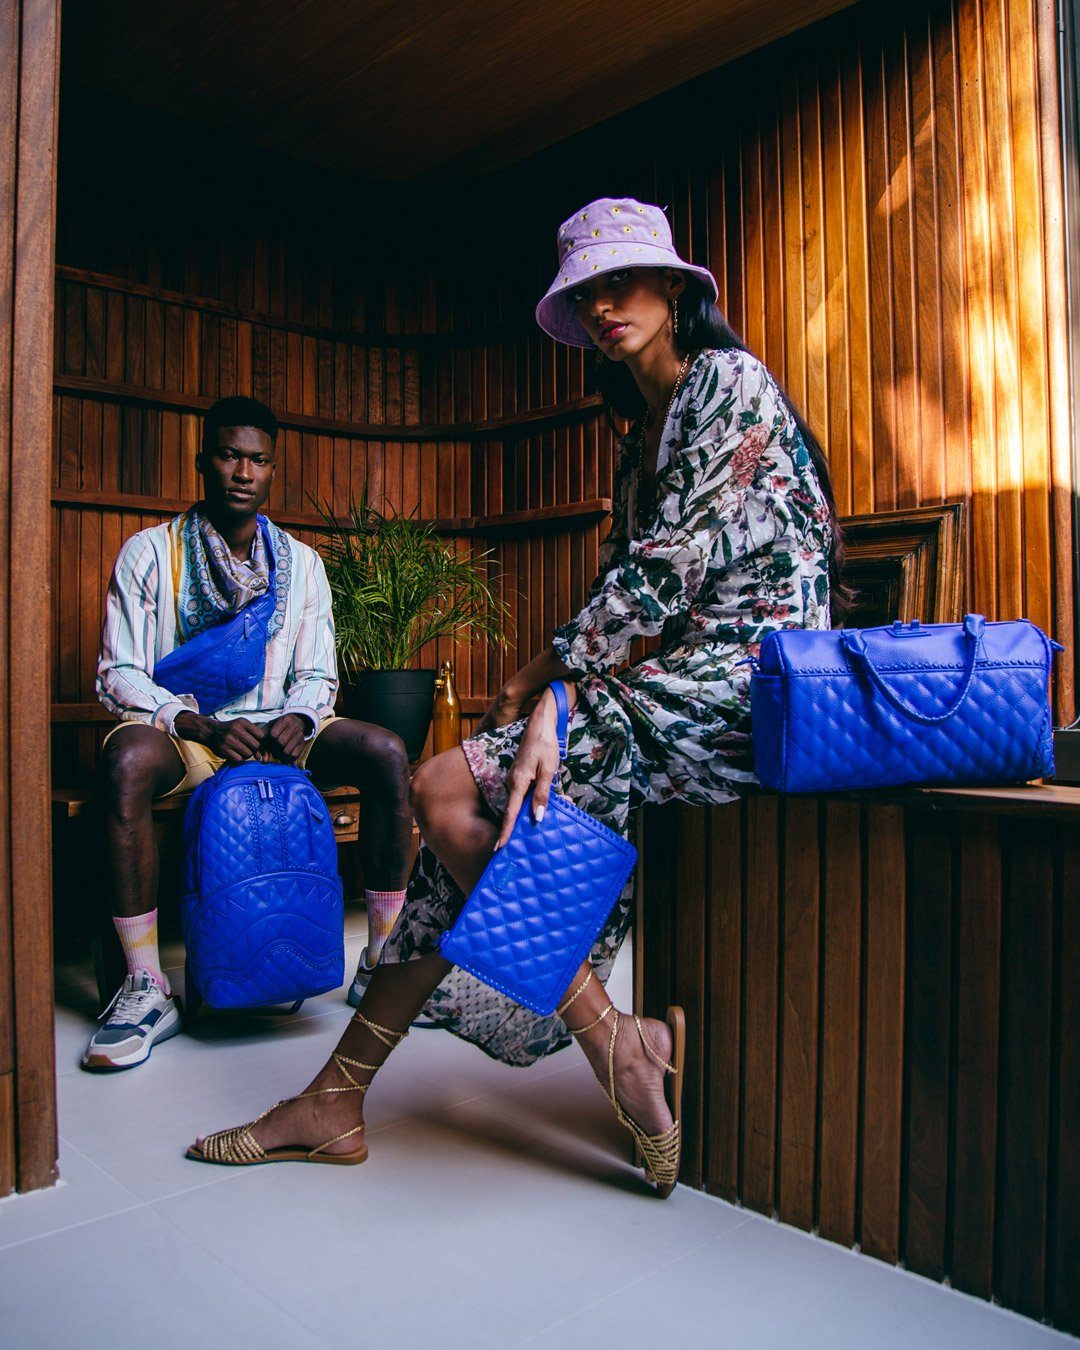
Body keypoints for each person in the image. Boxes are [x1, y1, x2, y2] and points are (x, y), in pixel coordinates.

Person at [188, 197, 840, 1196]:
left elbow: (662, 575)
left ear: (674, 289)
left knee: (442, 786)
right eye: (584, 293)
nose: (602, 304)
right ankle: (342, 1098)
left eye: (621, 281)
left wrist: (543, 685)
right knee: (464, 818)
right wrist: (556, 693)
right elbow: (628, 582)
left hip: (760, 686)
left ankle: (605, 1046)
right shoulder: (641, 431)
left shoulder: (726, 381)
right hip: (682, 679)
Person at [84, 395, 413, 1071]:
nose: (243, 472)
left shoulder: (302, 564)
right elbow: (117, 672)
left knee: (385, 752)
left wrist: (300, 717)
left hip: (281, 734)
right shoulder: (150, 553)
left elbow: (318, 674)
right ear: (203, 461)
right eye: (229, 456)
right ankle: (146, 986)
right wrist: (195, 721)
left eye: (257, 460)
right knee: (124, 763)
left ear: (272, 469)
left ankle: (383, 959)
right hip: (191, 732)